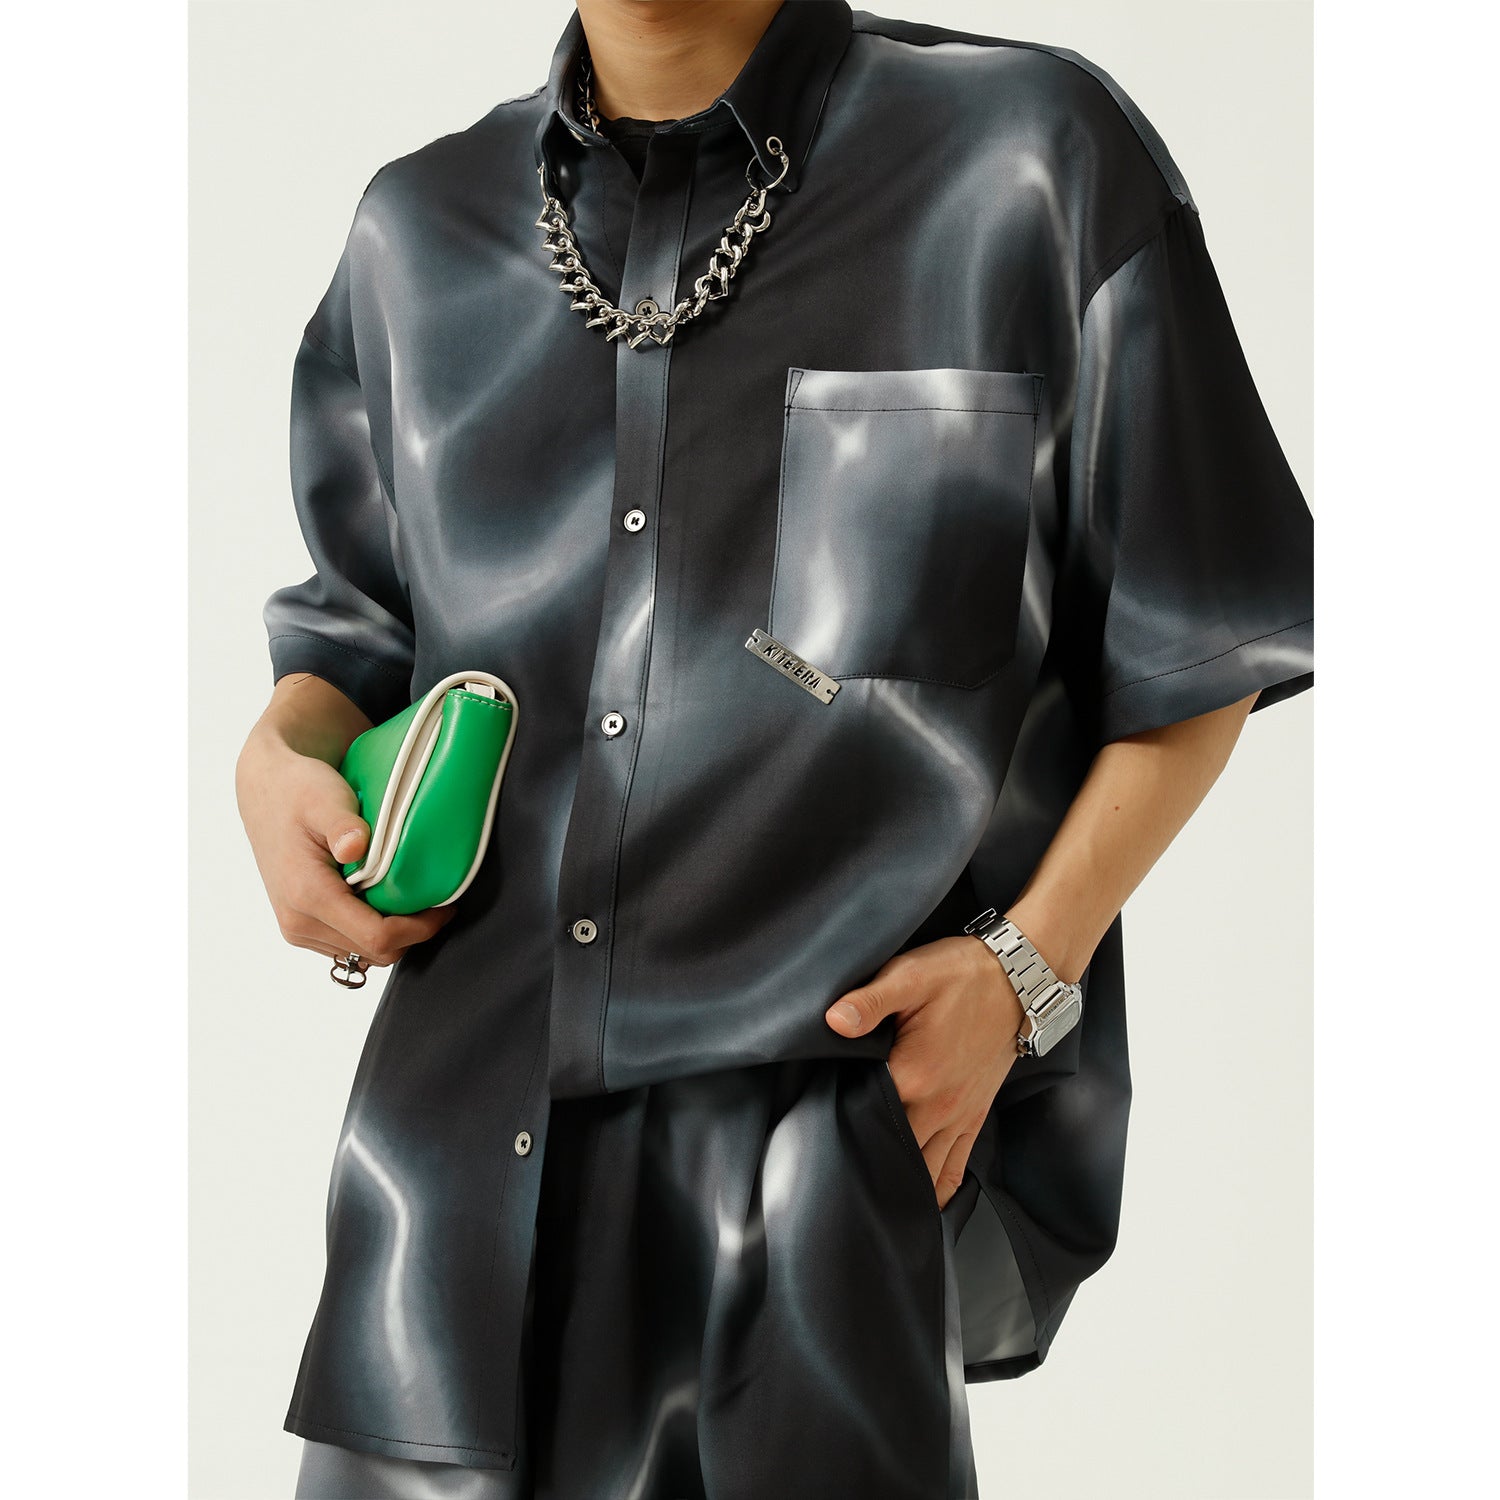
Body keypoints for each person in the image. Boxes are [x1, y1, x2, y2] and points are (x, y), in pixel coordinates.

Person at [234, 2, 1314, 1496]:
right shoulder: (417, 235)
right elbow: (354, 642)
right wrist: (275, 759)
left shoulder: (1025, 162)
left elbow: (1201, 628)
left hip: (816, 1198)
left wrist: (1022, 972)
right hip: (448, 1207)